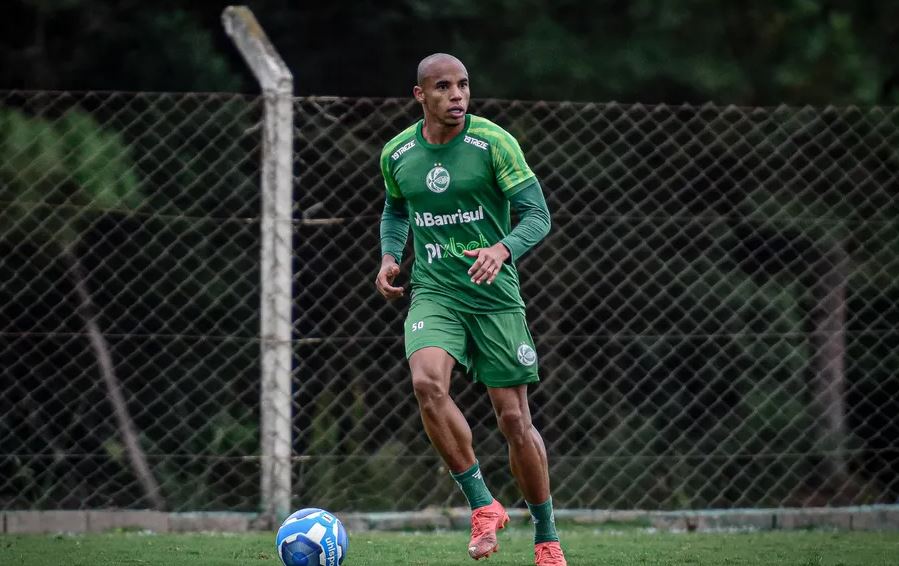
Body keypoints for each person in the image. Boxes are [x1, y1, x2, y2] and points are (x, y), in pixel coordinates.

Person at [374, 53, 567, 566]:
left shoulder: (493, 143)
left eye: (463, 85)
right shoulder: (397, 154)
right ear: (421, 96)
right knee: (426, 383)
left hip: (494, 298)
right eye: (443, 87)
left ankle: (546, 537)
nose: (456, 95)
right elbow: (396, 208)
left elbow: (537, 214)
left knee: (513, 420)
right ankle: (483, 504)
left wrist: (501, 249)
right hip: (435, 292)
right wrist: (391, 256)